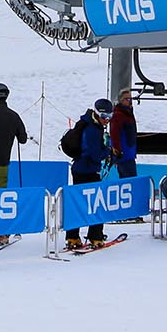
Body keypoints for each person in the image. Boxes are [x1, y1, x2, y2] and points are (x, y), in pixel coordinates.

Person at [63, 100, 111, 251]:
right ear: (97, 113)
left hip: (82, 169)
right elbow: (95, 155)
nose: (107, 120)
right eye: (104, 116)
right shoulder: (93, 129)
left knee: (78, 203)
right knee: (96, 205)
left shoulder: (91, 124)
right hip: (86, 171)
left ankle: (73, 236)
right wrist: (108, 151)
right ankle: (95, 237)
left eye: (110, 116)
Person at [108, 88, 138, 179]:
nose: (130, 101)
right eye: (127, 99)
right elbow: (114, 134)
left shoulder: (127, 113)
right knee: (130, 180)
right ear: (121, 100)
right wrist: (118, 151)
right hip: (124, 155)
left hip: (129, 154)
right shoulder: (118, 114)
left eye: (131, 99)